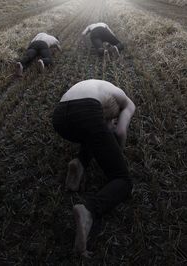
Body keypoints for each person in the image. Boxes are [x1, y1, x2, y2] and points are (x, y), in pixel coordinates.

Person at [52, 79, 136, 257]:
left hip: (60, 117)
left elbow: (98, 126)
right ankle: (88, 210)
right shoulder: (128, 102)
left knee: (93, 135)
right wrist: (116, 155)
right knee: (122, 179)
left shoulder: (97, 87)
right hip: (87, 111)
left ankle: (79, 163)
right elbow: (120, 132)